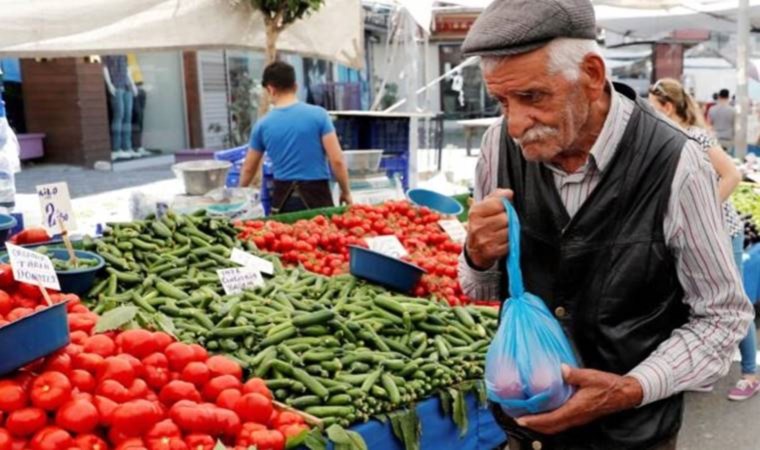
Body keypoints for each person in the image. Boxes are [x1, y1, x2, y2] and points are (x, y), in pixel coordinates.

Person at [458, 1, 754, 449]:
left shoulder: (676, 163)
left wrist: (629, 389)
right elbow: (481, 289)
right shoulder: (497, 146)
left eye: (533, 97)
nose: (516, 123)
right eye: (502, 101)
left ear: (592, 75)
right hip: (527, 432)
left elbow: (722, 317)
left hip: (631, 437)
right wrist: (477, 255)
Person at [649, 78, 758, 401]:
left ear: (668, 107)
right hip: (692, 235)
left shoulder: (695, 137)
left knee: (732, 300)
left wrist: (703, 213)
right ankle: (706, 369)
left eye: (655, 109)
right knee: (697, 299)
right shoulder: (666, 139)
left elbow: (733, 175)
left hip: (725, 232)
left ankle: (751, 372)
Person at [239, 61, 352, 213]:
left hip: (283, 201)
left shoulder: (262, 125)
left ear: (270, 89)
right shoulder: (319, 115)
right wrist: (346, 191)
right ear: (295, 86)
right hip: (318, 198)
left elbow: (248, 169)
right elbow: (337, 160)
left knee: (287, 236)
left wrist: (237, 196)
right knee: (322, 236)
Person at [103, 54, 138, 160]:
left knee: (128, 116)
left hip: (127, 86)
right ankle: (116, 148)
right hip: (116, 86)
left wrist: (133, 85)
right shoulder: (106, 54)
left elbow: (127, 70)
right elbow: (104, 68)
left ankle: (127, 147)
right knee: (119, 115)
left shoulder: (123, 54)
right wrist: (109, 84)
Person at [708, 88, 736, 154]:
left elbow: (709, 124)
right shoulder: (733, 110)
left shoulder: (712, 109)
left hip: (715, 138)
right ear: (728, 97)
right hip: (728, 139)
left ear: (719, 96)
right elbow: (735, 125)